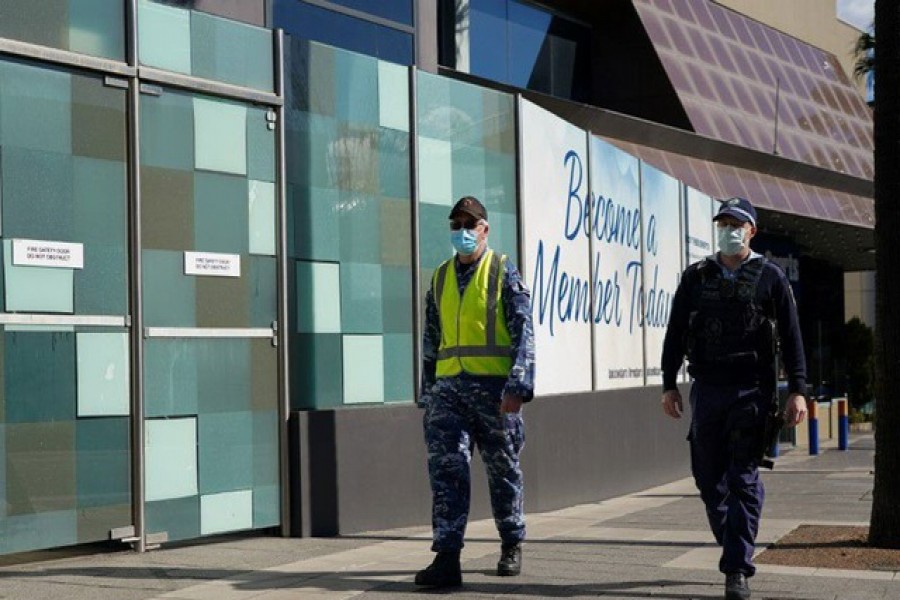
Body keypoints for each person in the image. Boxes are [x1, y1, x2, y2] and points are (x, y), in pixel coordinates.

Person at [660, 197, 808, 600]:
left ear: (751, 231)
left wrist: (797, 390)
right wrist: (668, 383)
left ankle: (737, 568)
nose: (729, 229)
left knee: (742, 478)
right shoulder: (696, 277)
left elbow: (793, 337)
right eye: (723, 222)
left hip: (752, 392)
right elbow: (675, 331)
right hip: (707, 390)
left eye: (736, 223)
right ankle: (734, 541)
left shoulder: (771, 277)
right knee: (708, 480)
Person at [415, 195, 535, 589]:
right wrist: (427, 391)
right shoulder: (440, 277)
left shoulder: (502, 270)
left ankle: (511, 541)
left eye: (470, 224)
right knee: (447, 471)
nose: (462, 232)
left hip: (494, 392)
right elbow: (432, 339)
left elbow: (523, 333)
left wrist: (518, 385)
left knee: (503, 471)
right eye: (456, 225)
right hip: (448, 392)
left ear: (485, 229)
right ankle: (447, 557)